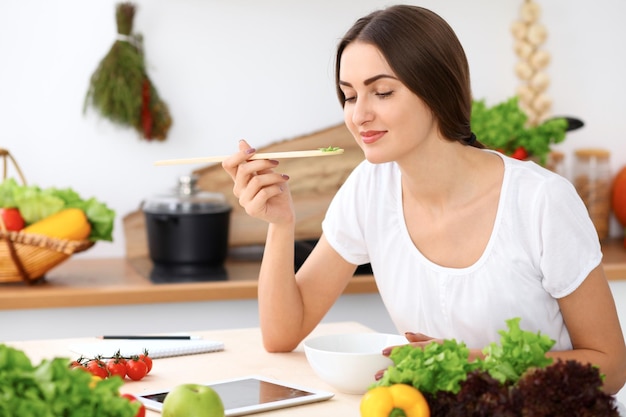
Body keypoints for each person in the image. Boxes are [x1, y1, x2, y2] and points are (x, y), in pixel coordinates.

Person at [222, 4, 626, 395]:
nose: (358, 115)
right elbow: (281, 334)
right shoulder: (370, 187)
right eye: (349, 96)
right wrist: (280, 222)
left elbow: (610, 366)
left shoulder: (541, 201)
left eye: (381, 92)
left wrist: (469, 362)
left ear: (436, 91)